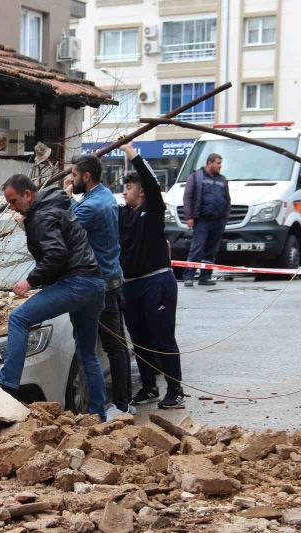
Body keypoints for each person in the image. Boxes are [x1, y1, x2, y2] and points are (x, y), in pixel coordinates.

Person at [0, 174, 108, 421]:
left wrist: (29, 281)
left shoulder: (41, 215)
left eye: (14, 201)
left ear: (28, 194)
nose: (13, 207)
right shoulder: (55, 208)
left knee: (18, 318)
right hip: (94, 285)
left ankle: (7, 387)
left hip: (76, 283)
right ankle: (98, 415)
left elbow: (56, 254)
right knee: (87, 353)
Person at [65, 155, 134, 418]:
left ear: (86, 176)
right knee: (115, 346)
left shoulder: (92, 206)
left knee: (108, 347)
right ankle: (121, 403)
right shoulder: (105, 197)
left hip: (101, 284)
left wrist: (66, 197)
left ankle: (117, 405)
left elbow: (66, 224)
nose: (71, 179)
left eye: (74, 174)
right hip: (111, 279)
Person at [118, 141, 184, 409]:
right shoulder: (123, 215)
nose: (125, 191)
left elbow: (151, 182)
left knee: (162, 337)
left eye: (130, 187)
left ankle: (176, 389)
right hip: (131, 285)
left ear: (142, 192)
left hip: (157, 281)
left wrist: (131, 153)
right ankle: (148, 388)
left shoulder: (153, 209)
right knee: (140, 340)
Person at [182, 153, 230, 287]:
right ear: (210, 163)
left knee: (211, 251)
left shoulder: (222, 179)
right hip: (202, 220)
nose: (220, 166)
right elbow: (188, 197)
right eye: (218, 163)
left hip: (218, 221)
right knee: (197, 249)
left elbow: (227, 199)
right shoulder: (196, 177)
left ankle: (205, 277)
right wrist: (189, 217)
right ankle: (188, 276)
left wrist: (225, 217)